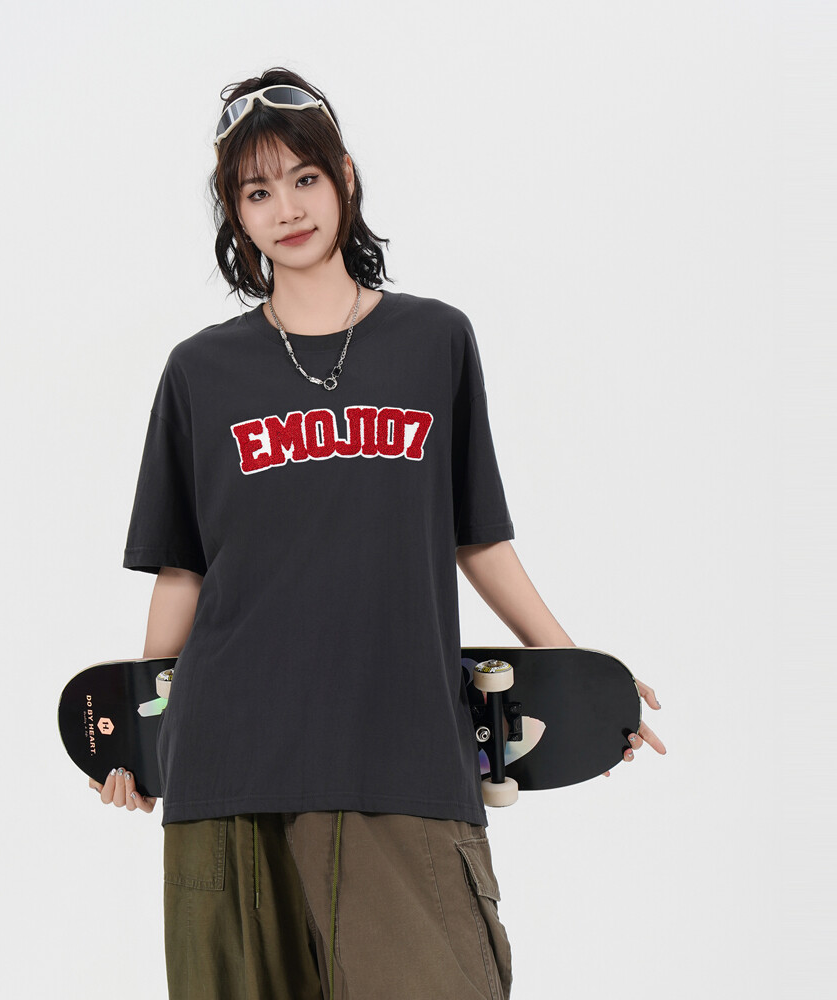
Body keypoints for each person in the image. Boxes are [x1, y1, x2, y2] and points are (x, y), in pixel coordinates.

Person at [89, 66, 667, 1000]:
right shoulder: (200, 372)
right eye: (257, 192)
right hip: (229, 767)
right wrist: (139, 737)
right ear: (236, 213)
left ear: (345, 177)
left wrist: (575, 673)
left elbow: (477, 538)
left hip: (402, 754)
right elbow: (182, 572)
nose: (287, 208)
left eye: (304, 178)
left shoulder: (434, 342)